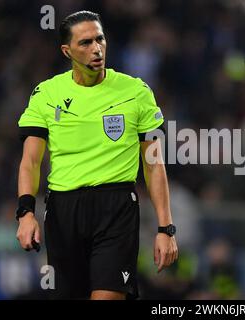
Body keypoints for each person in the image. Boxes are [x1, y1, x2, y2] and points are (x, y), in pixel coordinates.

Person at [15, 11, 178, 300]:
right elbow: (30, 161)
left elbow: (154, 163)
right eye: (86, 42)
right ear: (67, 51)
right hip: (64, 211)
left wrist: (166, 227)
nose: (97, 48)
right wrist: (26, 213)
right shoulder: (46, 94)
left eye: (100, 39)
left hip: (116, 208)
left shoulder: (136, 92)